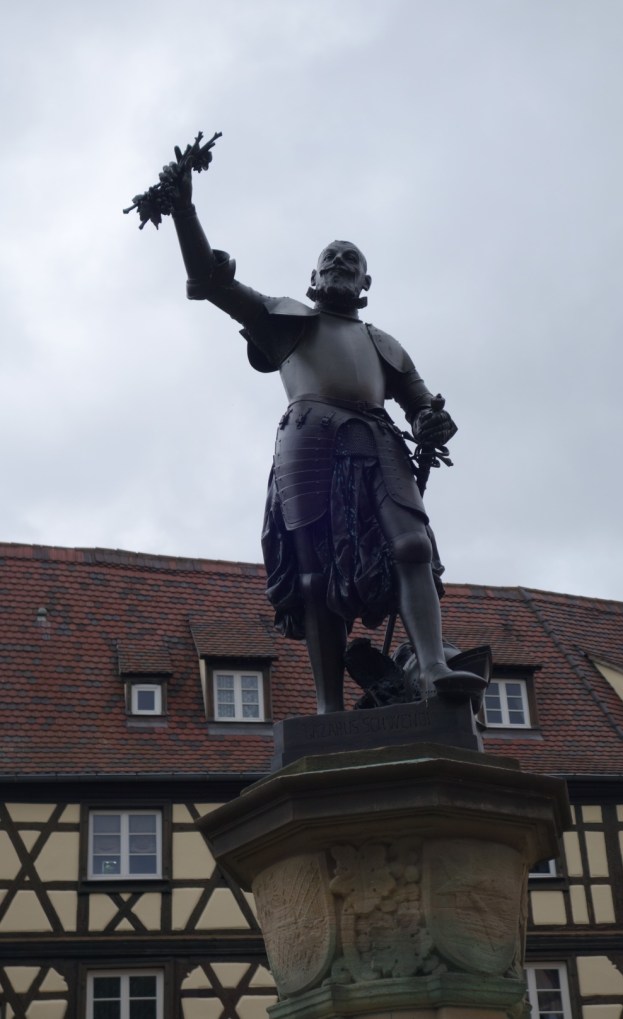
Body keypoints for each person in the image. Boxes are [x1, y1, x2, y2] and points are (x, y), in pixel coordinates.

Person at [168, 165, 483, 714]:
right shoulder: (285, 319)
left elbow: (422, 407)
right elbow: (211, 282)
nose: (340, 263)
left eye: (351, 260)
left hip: (378, 440)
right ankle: (327, 707)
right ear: (313, 278)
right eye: (330, 258)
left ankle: (433, 668)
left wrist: (432, 423)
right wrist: (183, 211)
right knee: (315, 578)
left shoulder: (386, 344)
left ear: (366, 284)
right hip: (309, 441)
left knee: (413, 545)